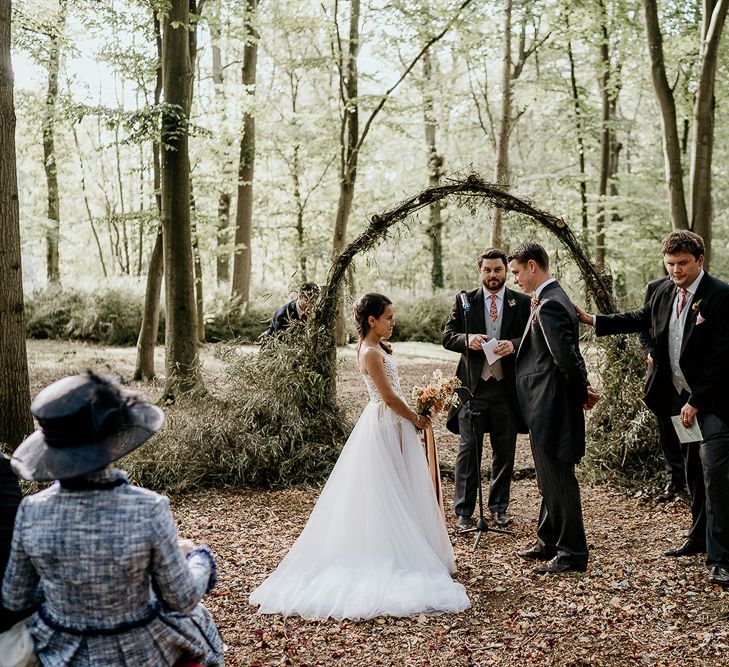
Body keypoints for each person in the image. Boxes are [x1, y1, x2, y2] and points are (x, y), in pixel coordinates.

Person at [250, 293, 470, 619]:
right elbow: (389, 397)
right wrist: (415, 417)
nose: (393, 322)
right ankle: (391, 552)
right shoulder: (369, 352)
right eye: (389, 318)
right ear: (372, 320)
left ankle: (405, 547)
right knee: (387, 491)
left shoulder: (377, 349)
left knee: (399, 488)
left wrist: (420, 407)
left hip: (392, 422)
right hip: (385, 424)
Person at [2, 372, 224, 666]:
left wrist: (68, 580)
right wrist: (200, 558)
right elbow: (181, 598)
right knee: (200, 627)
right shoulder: (149, 507)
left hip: (62, 654)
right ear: (113, 442)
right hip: (142, 651)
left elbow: (16, 598)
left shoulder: (32, 510)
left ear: (51, 450)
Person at [574, 230, 729, 587]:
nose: (676, 270)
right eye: (671, 263)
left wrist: (696, 401)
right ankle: (697, 536)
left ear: (700, 261)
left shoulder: (720, 296)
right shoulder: (661, 290)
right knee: (691, 468)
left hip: (714, 401)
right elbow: (639, 318)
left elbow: (723, 359)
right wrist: (592, 320)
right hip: (676, 398)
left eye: (683, 263)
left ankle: (721, 557)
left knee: (715, 472)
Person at [507, 242, 599, 575]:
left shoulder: (550, 305)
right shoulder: (551, 298)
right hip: (545, 403)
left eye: (516, 272)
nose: (514, 279)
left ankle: (572, 552)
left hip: (552, 405)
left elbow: (567, 358)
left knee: (558, 480)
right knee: (548, 479)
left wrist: (581, 392)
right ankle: (548, 540)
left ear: (532, 266)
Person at [442, 248, 531, 529]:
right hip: (474, 388)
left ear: (506, 271)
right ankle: (464, 512)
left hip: (507, 389)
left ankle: (499, 507)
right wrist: (466, 340)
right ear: (479, 271)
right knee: (469, 452)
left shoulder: (523, 302)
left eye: (498, 270)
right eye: (487, 270)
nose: (493, 275)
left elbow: (532, 335)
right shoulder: (465, 300)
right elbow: (447, 336)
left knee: (504, 451)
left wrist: (514, 345)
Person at [638, 277, 687, 502]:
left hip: (685, 378)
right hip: (659, 375)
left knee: (687, 428)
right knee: (666, 428)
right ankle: (673, 481)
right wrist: (650, 351)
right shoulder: (655, 288)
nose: (675, 269)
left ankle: (691, 480)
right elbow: (643, 327)